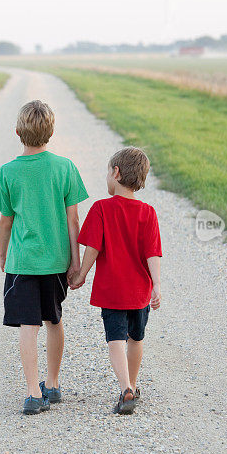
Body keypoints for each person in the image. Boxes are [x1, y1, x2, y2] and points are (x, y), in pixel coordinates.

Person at [0, 100, 89, 415]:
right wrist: (76, 262)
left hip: (23, 263)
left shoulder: (6, 172)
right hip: (56, 262)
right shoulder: (65, 168)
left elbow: (5, 222)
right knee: (54, 319)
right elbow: (74, 221)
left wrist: (4, 254)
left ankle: (34, 393)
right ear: (51, 132)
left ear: (17, 132)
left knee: (28, 326)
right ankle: (53, 383)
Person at [70, 147, 162, 415]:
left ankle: (126, 389)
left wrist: (81, 274)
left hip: (112, 291)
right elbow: (152, 252)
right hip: (139, 292)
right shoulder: (148, 212)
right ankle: (132, 384)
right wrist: (156, 284)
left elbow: (93, 248)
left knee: (116, 341)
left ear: (116, 172)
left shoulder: (101, 208)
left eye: (108, 172)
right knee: (135, 338)